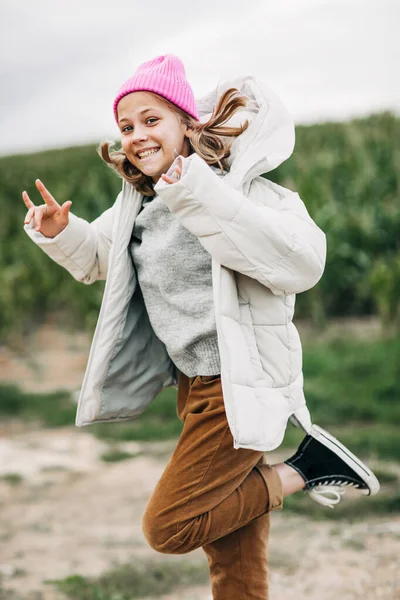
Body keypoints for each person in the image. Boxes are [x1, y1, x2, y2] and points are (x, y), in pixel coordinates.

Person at [22, 54, 379, 599]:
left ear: (188, 123)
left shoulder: (243, 189)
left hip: (238, 383)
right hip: (195, 386)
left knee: (170, 525)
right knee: (232, 551)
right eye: (126, 126)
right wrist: (61, 232)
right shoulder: (139, 204)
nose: (137, 135)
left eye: (151, 119)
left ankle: (307, 468)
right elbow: (101, 261)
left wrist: (198, 192)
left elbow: (302, 264)